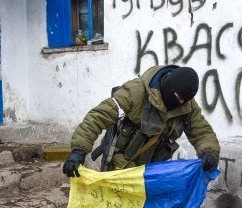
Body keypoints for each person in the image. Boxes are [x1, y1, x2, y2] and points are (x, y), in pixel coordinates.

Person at [62, 65, 220, 177]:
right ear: (169, 86)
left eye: (184, 101)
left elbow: (202, 132)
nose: (179, 103)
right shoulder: (136, 92)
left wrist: (209, 152)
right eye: (177, 97)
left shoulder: (187, 105)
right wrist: (79, 150)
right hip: (121, 166)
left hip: (152, 171)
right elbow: (99, 116)